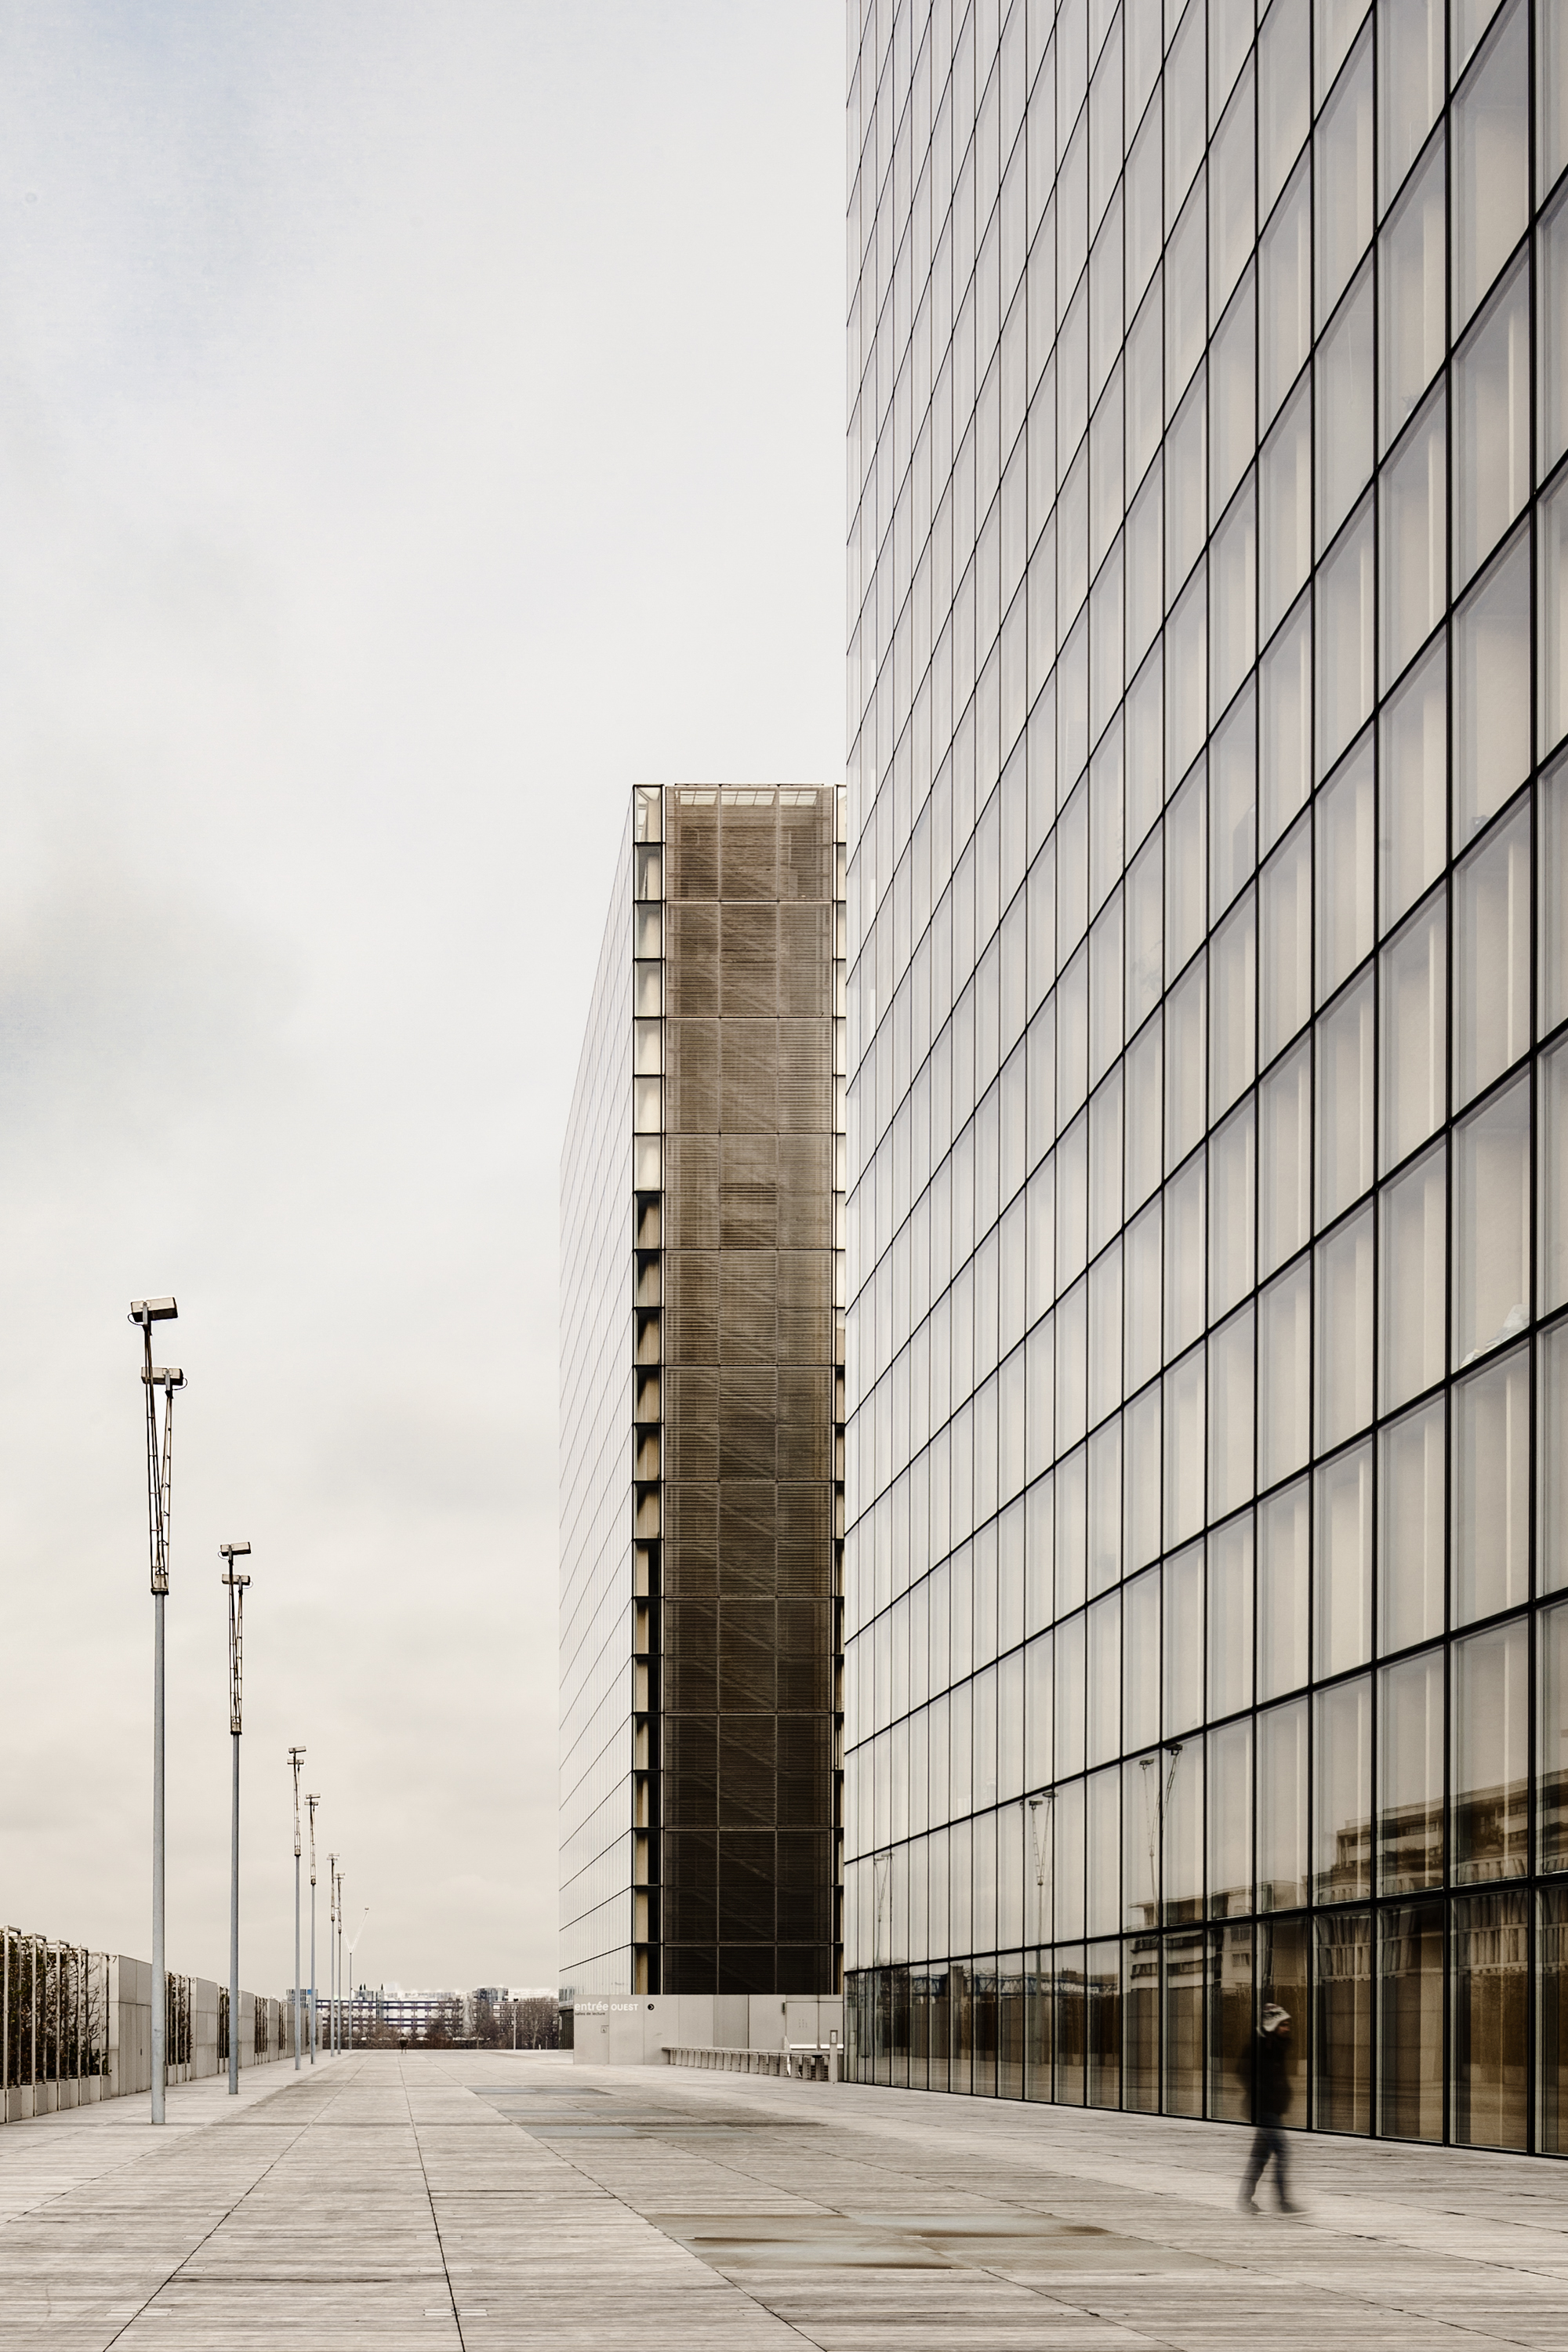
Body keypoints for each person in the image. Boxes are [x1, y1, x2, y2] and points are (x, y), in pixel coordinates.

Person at [1237, 2002, 1300, 2214]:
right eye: (1284, 2024)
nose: (1287, 2028)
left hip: (1272, 2108)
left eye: (1288, 2024)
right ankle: (1283, 2202)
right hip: (1264, 2109)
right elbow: (1242, 2071)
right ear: (1272, 2024)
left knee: (1259, 2158)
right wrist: (1262, 2092)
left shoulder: (1275, 2045)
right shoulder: (1259, 2046)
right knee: (1283, 2151)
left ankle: (1244, 2200)